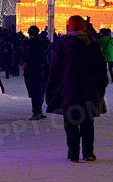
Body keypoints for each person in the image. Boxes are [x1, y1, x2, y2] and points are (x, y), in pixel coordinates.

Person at [46, 16, 109, 162]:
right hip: (89, 88)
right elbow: (100, 67)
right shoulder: (92, 43)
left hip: (69, 88)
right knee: (87, 121)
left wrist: (50, 89)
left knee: (71, 122)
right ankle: (88, 153)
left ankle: (73, 153)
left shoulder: (63, 43)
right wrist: (101, 86)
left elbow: (55, 69)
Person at [24, 25, 50, 120]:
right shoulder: (42, 42)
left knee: (35, 92)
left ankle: (36, 111)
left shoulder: (31, 44)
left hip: (34, 71)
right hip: (42, 71)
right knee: (40, 91)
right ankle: (38, 110)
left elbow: (30, 58)